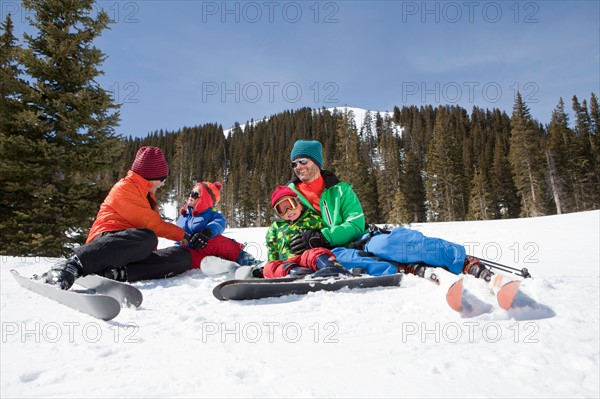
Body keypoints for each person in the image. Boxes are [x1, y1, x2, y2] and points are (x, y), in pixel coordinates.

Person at [40, 146, 208, 290]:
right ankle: (72, 264)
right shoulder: (125, 188)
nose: (163, 184)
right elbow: (152, 225)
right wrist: (182, 235)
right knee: (147, 237)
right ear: (151, 176)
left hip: (128, 253)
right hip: (106, 242)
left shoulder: (146, 194)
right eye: (163, 179)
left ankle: (115, 273)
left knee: (183, 257)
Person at [285, 140, 367, 255]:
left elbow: (356, 225)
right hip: (308, 255)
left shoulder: (341, 190)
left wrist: (324, 237)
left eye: (303, 161)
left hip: (348, 247)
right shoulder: (288, 194)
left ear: (317, 162)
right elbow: (280, 228)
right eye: (294, 164)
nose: (298, 166)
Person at [263, 186, 349, 278]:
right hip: (287, 263)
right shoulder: (275, 228)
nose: (288, 211)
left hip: (306, 257)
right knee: (268, 267)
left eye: (291, 204)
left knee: (316, 252)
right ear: (277, 213)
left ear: (299, 204)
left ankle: (330, 266)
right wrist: (272, 264)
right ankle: (295, 272)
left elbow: (323, 237)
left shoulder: (312, 219)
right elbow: (272, 250)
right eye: (282, 209)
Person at [176, 181, 260, 270]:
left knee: (217, 241)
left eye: (195, 194)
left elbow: (220, 222)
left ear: (205, 198)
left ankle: (244, 258)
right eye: (191, 193)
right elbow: (177, 234)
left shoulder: (210, 213)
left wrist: (207, 232)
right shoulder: (183, 216)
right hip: (192, 251)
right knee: (187, 257)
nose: (191, 196)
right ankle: (216, 263)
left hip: (207, 244)